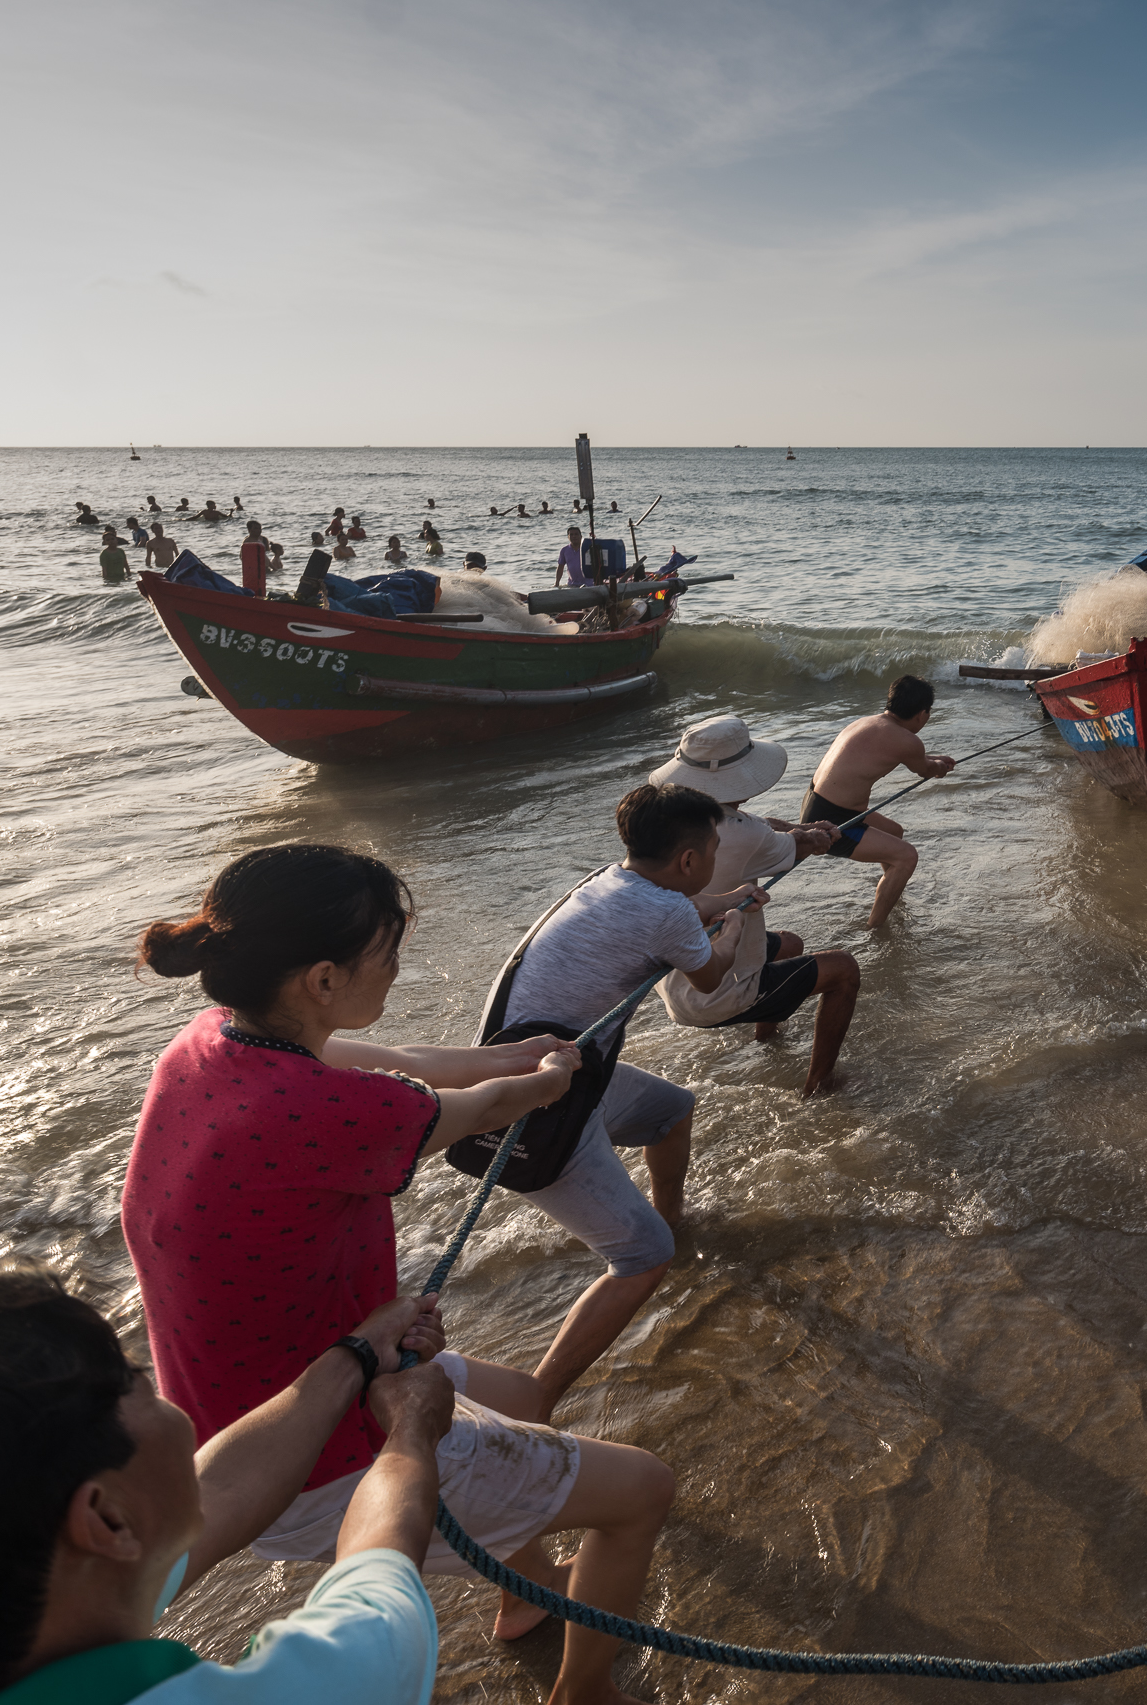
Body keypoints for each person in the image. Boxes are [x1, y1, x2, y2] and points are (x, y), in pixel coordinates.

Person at [128, 846, 675, 1705]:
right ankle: (586, 1693)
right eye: (389, 951)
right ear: (321, 979)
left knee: (524, 1399)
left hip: (240, 1409)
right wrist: (542, 1080)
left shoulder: (209, 1045)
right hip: (313, 1449)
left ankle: (522, 1599)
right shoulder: (326, 1111)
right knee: (643, 1487)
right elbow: (474, 1112)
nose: (397, 966)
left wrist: (510, 1055)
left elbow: (402, 1060)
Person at [0, 1260, 454, 1705]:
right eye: (131, 1374)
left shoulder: (31, 1597)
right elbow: (378, 1605)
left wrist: (361, 1353)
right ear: (106, 1519)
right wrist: (413, 1427)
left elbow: (222, 1489)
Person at [491, 784, 778, 1415]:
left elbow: (678, 908)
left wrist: (727, 898)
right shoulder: (670, 913)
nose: (713, 859)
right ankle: (538, 1398)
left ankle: (669, 1221)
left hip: (538, 1070)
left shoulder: (605, 881)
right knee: (643, 1257)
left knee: (672, 1112)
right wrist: (737, 921)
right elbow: (710, 973)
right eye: (712, 848)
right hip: (538, 1108)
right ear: (687, 860)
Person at [647, 716, 860, 1078]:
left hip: (671, 982)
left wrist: (802, 829)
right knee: (844, 970)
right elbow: (786, 842)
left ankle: (766, 1039)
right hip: (711, 995)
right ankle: (820, 1084)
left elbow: (760, 824)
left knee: (790, 944)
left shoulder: (670, 817)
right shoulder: (745, 835)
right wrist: (814, 837)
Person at [801, 675, 956, 927]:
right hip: (833, 821)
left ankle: (892, 891)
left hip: (816, 803)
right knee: (907, 857)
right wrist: (939, 766)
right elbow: (926, 769)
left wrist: (934, 760)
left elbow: (914, 757)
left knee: (894, 832)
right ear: (922, 714)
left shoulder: (868, 722)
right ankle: (875, 928)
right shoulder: (908, 741)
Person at [238, 520, 269, 596]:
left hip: (265, 567)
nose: (258, 530)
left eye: (259, 528)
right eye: (255, 528)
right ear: (249, 530)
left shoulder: (263, 540)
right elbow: (242, 557)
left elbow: (267, 554)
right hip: (254, 569)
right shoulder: (247, 542)